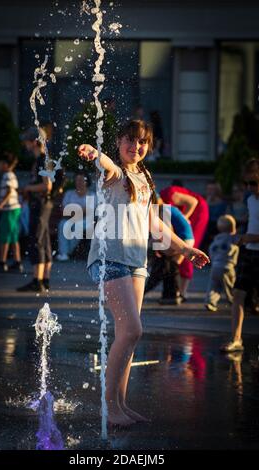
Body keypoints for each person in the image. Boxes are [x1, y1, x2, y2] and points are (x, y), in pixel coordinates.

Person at [78, 119, 209, 427]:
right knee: (132, 330)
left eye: (142, 143)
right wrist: (94, 152)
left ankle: (120, 404)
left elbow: (157, 224)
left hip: (136, 260)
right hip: (111, 257)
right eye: (130, 140)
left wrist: (186, 250)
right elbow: (107, 164)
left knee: (129, 335)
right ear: (120, 140)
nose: (136, 147)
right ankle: (109, 408)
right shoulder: (116, 173)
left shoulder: (145, 176)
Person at [221, 157, 259, 352]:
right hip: (249, 253)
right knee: (238, 294)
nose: (249, 187)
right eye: (246, 183)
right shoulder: (251, 199)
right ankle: (236, 339)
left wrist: (247, 238)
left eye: (253, 183)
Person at [17, 127, 53, 293]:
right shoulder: (41, 160)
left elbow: (47, 186)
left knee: (37, 240)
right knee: (44, 240)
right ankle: (44, 279)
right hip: (42, 203)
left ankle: (37, 280)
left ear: (34, 142)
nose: (26, 145)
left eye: (27, 141)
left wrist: (29, 188)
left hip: (40, 204)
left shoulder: (42, 160)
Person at [160, 183, 209, 299]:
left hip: (198, 212)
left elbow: (193, 202)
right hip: (182, 214)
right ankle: (175, 290)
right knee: (176, 249)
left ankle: (182, 291)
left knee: (190, 250)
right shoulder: (161, 206)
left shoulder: (168, 195)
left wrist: (185, 218)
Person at [145, 202, 195, 305]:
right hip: (185, 239)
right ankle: (171, 295)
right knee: (170, 266)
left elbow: (166, 232)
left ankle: (170, 294)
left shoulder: (163, 211)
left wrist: (155, 248)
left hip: (183, 240)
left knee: (165, 265)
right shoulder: (167, 208)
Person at [56, 171, 96, 261]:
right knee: (63, 225)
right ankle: (64, 253)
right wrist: (79, 210)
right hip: (69, 219)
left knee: (78, 226)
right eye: (77, 180)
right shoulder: (69, 194)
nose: (79, 182)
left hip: (86, 220)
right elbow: (64, 210)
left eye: (82, 180)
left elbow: (88, 211)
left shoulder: (91, 195)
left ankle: (68, 251)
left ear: (87, 182)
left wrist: (73, 211)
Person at [0, 152, 23, 273]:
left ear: (6, 165)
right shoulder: (9, 175)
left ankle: (2, 262)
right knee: (12, 236)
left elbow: (9, 191)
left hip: (10, 210)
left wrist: (0, 204)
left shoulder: (8, 175)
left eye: (0, 163)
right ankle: (17, 262)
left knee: (5, 236)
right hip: (13, 210)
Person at [205, 215, 239, 312]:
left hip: (215, 266)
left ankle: (210, 302)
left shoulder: (216, 239)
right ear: (233, 228)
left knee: (213, 286)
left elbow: (211, 250)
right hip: (227, 266)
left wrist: (213, 260)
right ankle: (234, 303)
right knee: (230, 286)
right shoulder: (233, 238)